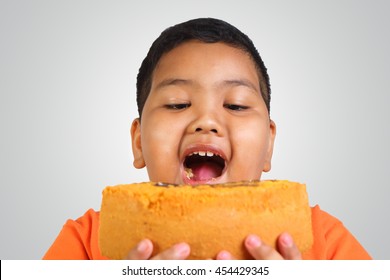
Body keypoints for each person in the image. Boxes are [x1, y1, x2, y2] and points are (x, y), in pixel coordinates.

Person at [43, 18, 371, 260]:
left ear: (269, 144)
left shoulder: (320, 238)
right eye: (177, 104)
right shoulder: (88, 240)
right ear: (139, 141)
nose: (206, 121)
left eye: (236, 105)